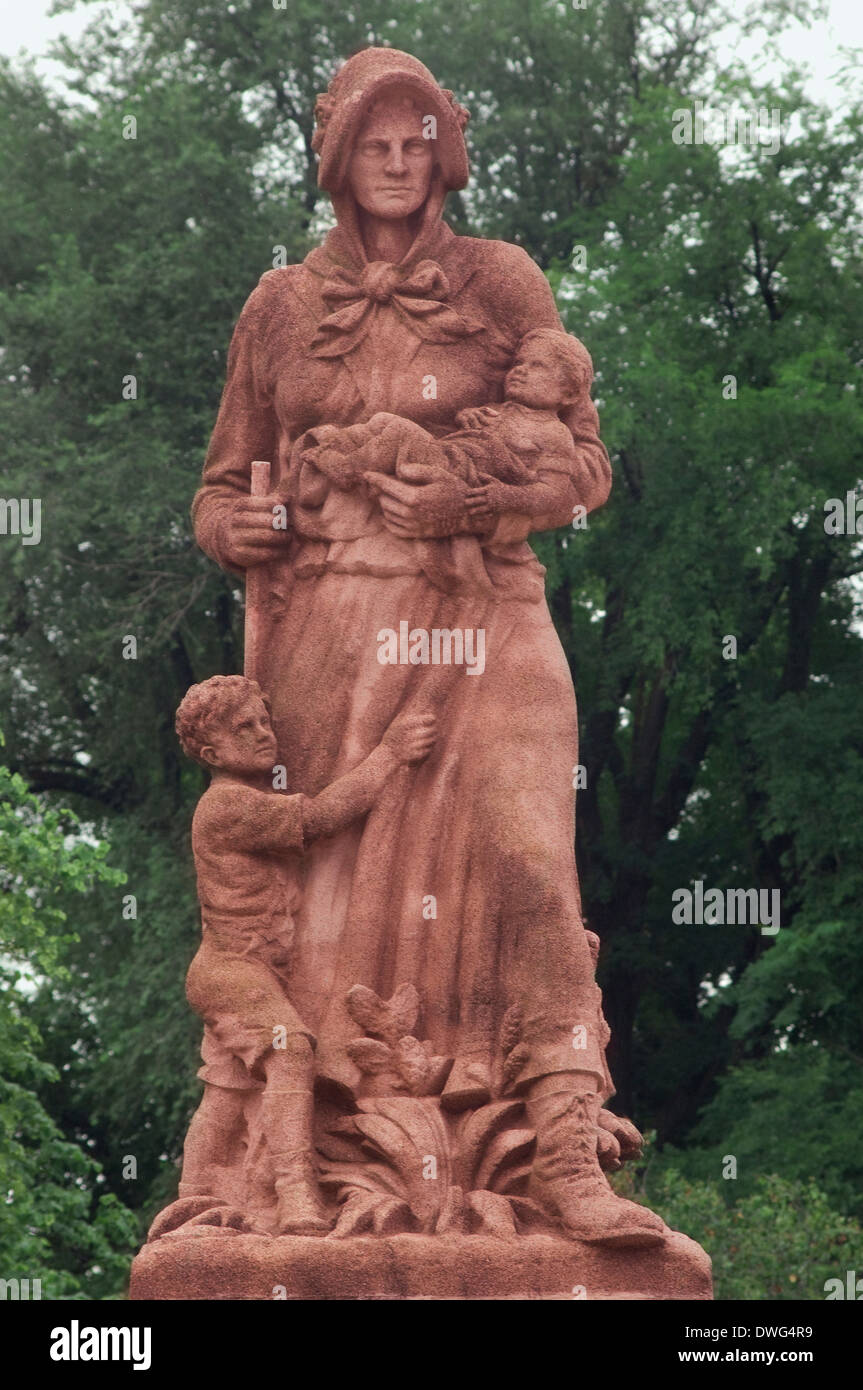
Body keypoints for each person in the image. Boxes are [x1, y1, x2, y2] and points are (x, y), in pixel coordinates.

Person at [193, 48, 666, 1246]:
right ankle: (306, 1178)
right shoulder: (276, 305)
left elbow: (585, 470)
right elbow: (215, 488)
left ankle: (558, 1148)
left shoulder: (504, 281)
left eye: (415, 142)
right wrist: (233, 521)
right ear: (337, 160)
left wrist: (462, 506)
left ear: (444, 152)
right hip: (330, 637)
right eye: (372, 144)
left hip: (483, 614)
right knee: (331, 906)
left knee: (529, 863)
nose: (396, 164)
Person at [174, 673, 435, 1234]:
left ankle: (194, 1197)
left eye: (264, 721)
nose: (263, 734)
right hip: (231, 969)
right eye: (244, 728)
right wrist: (388, 755)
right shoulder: (225, 807)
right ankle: (295, 1193)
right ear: (211, 751)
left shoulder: (248, 797)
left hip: (248, 970)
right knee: (289, 1049)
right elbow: (318, 819)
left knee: (227, 1090)